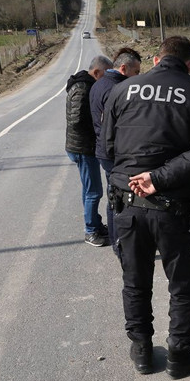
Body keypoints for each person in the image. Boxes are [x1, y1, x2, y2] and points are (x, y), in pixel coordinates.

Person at [102, 36, 190, 377]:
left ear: (157, 60)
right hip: (175, 208)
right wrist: (160, 177)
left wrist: (142, 175)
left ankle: (142, 349)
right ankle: (179, 354)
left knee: (134, 280)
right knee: (183, 285)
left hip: (127, 204)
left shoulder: (122, 90)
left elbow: (109, 146)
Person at [90, 47, 142, 256]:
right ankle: (120, 243)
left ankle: (117, 240)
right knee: (119, 199)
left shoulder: (100, 83)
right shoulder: (117, 89)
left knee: (114, 195)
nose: (138, 76)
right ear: (123, 68)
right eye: (136, 72)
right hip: (115, 153)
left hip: (104, 150)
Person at [65, 55, 113, 247]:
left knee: (89, 190)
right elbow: (77, 120)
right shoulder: (83, 89)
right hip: (83, 148)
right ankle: (91, 231)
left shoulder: (84, 84)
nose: (106, 79)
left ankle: (95, 224)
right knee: (93, 192)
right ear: (96, 72)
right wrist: (98, 126)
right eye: (105, 74)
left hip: (83, 147)